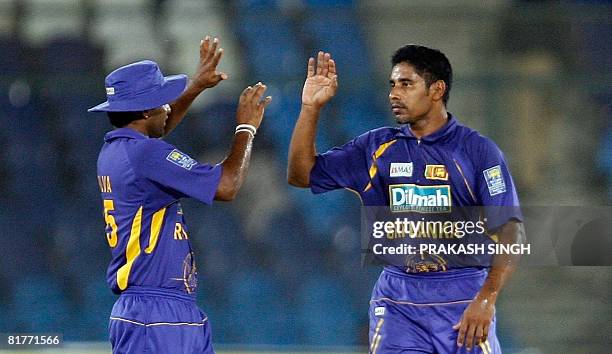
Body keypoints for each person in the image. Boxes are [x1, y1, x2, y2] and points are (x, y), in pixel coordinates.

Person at [287, 47, 525, 353]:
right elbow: (300, 175)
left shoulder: (478, 151)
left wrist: (487, 298)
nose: (394, 94)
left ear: (437, 89)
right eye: (392, 85)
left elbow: (511, 231)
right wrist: (310, 109)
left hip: (462, 297)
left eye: (406, 84)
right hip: (397, 298)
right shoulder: (376, 148)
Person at [88, 37, 271, 354]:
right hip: (156, 313)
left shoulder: (118, 151)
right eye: (162, 100)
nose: (169, 106)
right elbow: (227, 186)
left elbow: (157, 128)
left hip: (160, 309)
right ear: (145, 110)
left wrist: (196, 86)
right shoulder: (145, 154)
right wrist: (246, 128)